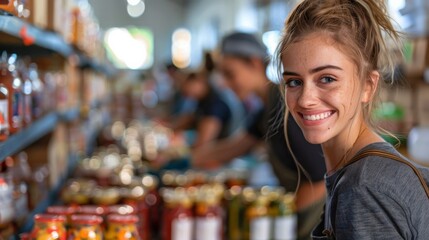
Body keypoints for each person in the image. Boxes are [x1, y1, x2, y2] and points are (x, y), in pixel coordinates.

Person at [278, 0, 429, 239]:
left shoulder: (364, 189)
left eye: (327, 79)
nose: (305, 99)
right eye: (294, 82)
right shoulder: (362, 174)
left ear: (369, 85)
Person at [192, 32, 326, 239]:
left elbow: (318, 182)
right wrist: (190, 157)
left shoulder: (285, 106)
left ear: (254, 64)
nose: (226, 84)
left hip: (315, 220)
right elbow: (234, 147)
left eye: (230, 74)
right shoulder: (265, 108)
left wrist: (283, 225)